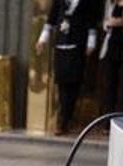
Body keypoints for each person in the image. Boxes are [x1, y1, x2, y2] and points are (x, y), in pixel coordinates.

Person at [36, 0, 100, 135]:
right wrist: (42, 39)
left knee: (73, 84)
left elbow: (92, 22)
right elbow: (51, 20)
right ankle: (62, 116)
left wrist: (91, 43)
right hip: (61, 44)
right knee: (61, 82)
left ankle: (65, 119)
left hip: (77, 45)